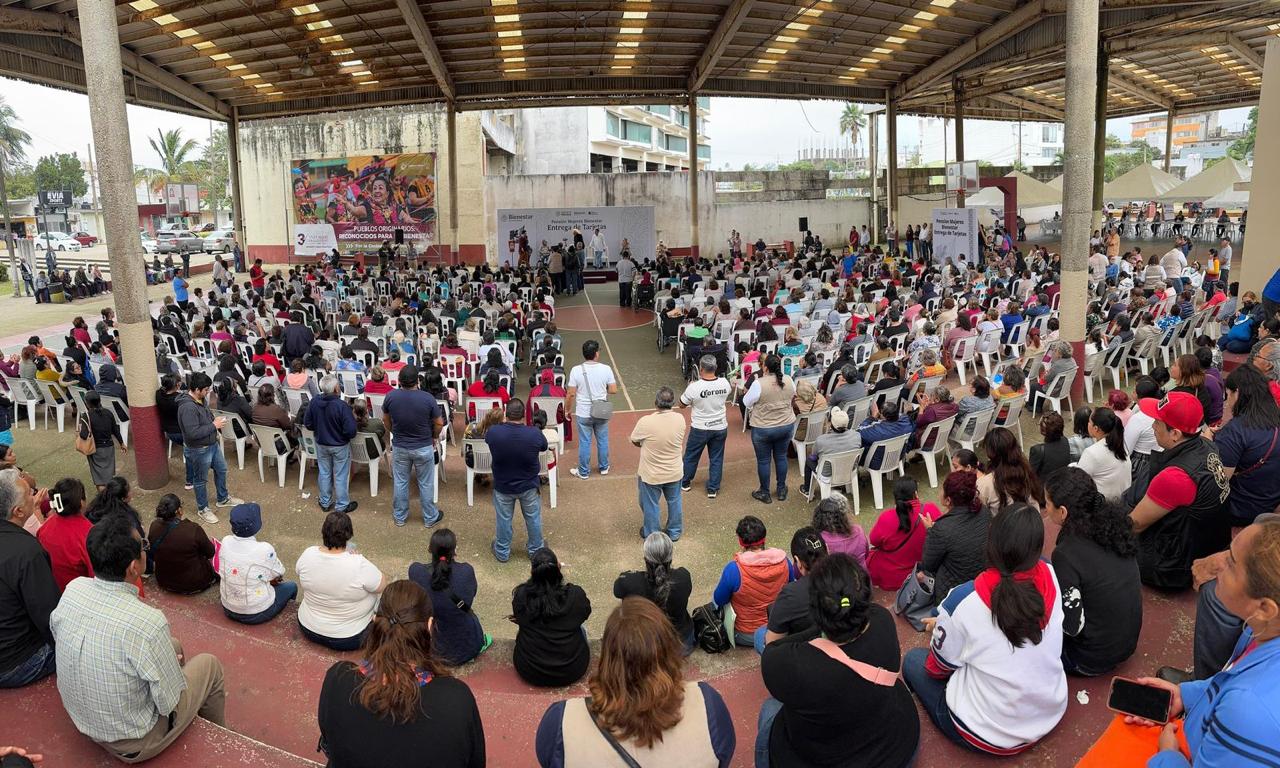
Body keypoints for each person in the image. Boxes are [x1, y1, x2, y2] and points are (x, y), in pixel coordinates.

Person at [1096, 515, 1280, 767]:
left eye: (1231, 562)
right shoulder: (1260, 630)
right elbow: (1231, 678)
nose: (1217, 563)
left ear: (1265, 608)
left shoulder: (1249, 710)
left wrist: (1169, 755)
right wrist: (1187, 695)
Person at [51, 514, 226, 762]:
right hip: (134, 742)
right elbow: (169, 703)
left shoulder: (73, 589)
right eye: (143, 546)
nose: (146, 549)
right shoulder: (148, 622)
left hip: (83, 719)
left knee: (172, 645)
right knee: (210, 665)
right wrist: (168, 673)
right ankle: (221, 739)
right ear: (134, 567)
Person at [903, 504, 1067, 756]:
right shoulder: (1051, 574)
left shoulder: (963, 600)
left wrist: (945, 627)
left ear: (990, 542)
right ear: (1036, 548)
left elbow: (937, 670)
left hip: (988, 734)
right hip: (1049, 710)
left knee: (913, 660)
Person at [758, 553, 920, 768]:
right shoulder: (882, 618)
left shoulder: (791, 664)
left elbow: (772, 648)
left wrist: (825, 622)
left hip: (827, 756)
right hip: (894, 748)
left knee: (770, 709)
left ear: (816, 611)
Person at [536, 598, 735, 768]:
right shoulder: (709, 707)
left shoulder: (561, 724)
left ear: (607, 659)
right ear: (669, 652)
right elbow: (723, 757)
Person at [317, 579, 486, 768]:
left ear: (374, 623)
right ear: (429, 627)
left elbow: (329, 740)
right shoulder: (457, 698)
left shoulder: (338, 680)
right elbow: (476, 762)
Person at [1043, 468, 1142, 676]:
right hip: (1127, 644)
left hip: (1089, 660)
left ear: (1063, 512)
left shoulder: (1066, 554)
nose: (1045, 508)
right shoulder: (1116, 528)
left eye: (1047, 503)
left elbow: (1072, 627)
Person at [1130, 392, 1230, 590]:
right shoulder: (1208, 445)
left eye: (1157, 423)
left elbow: (1134, 524)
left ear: (1175, 434)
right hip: (1210, 542)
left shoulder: (1176, 476)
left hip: (1174, 566)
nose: (1152, 427)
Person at [296, 511, 387, 651]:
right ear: (349, 535)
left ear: (323, 532)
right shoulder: (359, 564)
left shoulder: (308, 553)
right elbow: (382, 586)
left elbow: (299, 572)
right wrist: (360, 559)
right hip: (351, 638)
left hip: (308, 628)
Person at [0, 468, 57, 688]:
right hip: (16, 662)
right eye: (30, 496)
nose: (35, 498)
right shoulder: (26, 551)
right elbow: (49, 616)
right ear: (19, 511)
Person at [510, 547, 592, 687]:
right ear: (558, 569)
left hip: (530, 670)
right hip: (573, 670)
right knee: (581, 629)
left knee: (523, 630)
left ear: (532, 572)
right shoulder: (575, 595)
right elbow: (585, 613)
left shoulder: (522, 595)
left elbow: (520, 618)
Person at [408, 529, 489, 666]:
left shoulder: (416, 571)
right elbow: (472, 594)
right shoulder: (466, 571)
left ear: (429, 549)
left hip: (430, 649)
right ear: (454, 550)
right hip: (468, 647)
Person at [1212, 364, 1280, 527]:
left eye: (1227, 395)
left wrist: (1208, 444)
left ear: (1237, 393)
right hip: (1271, 499)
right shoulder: (1274, 418)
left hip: (1242, 508)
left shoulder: (1234, 431)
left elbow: (1220, 480)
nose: (1226, 402)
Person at [712, 515, 795, 647]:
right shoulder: (785, 562)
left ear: (740, 541)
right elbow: (792, 589)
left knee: (716, 595)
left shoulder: (734, 569)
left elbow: (719, 600)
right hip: (778, 627)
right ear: (764, 539)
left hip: (745, 633)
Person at [484, 399, 548, 563]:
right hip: (529, 485)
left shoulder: (494, 432)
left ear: (506, 413)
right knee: (533, 518)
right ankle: (536, 550)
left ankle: (502, 551)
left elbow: (488, 439)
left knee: (503, 520)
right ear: (524, 414)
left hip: (503, 485)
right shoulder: (534, 433)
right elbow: (544, 446)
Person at [613, 532, 695, 655]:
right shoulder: (684, 576)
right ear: (670, 557)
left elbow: (617, 591)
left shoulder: (628, 581)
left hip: (647, 649)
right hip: (682, 644)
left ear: (645, 558)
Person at [382, 365, 445, 528]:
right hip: (423, 446)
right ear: (417, 380)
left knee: (401, 482)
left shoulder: (391, 397)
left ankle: (400, 517)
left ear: (400, 381)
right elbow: (439, 423)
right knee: (425, 483)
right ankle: (430, 517)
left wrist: (394, 432)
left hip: (401, 446)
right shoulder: (427, 398)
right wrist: (434, 436)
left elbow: (386, 420)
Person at [177, 373, 242, 524]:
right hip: (198, 449)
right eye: (206, 390)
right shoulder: (187, 408)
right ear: (197, 389)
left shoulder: (200, 399)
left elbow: (204, 418)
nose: (208, 393)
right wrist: (214, 425)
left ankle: (223, 498)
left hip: (212, 445)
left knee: (222, 469)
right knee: (200, 480)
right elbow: (192, 433)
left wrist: (213, 420)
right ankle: (203, 508)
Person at [920, 470, 990, 608]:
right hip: (983, 580)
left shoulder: (941, 529)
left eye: (942, 489)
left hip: (953, 590)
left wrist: (930, 530)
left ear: (948, 500)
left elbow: (928, 564)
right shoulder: (984, 512)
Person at [218, 503, 296, 625]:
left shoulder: (226, 541)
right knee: (292, 586)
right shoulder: (264, 549)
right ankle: (283, 622)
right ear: (256, 524)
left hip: (227, 607)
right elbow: (279, 572)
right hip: (257, 612)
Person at [756, 526, 828, 653]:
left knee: (759, 634)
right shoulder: (847, 574)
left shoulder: (790, 594)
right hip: (840, 641)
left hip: (807, 653)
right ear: (827, 550)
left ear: (798, 562)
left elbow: (772, 644)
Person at [867, 477, 944, 590]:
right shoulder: (931, 509)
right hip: (921, 573)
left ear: (895, 498)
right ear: (916, 494)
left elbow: (874, 541)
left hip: (891, 577)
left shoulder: (886, 517)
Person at [631, 386, 686, 541]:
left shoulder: (646, 421)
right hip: (674, 471)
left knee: (650, 504)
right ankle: (674, 531)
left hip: (652, 473)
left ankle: (653, 533)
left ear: (656, 402)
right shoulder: (680, 419)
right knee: (674, 501)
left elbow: (635, 440)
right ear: (673, 402)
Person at [744, 355, 797, 504]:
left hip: (763, 427)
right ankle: (781, 489)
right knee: (781, 457)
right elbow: (793, 395)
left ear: (764, 367)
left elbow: (746, 401)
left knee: (764, 460)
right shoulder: (788, 379)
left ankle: (765, 492)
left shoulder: (758, 383)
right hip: (786, 425)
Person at [304, 374, 359, 515]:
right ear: (336, 388)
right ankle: (342, 505)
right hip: (339, 445)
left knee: (324, 472)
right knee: (340, 475)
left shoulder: (315, 402)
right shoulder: (341, 406)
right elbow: (351, 430)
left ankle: (325, 501)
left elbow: (308, 423)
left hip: (322, 443)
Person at [679, 355, 731, 499]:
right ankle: (713, 488)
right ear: (715, 368)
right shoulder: (724, 383)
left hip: (700, 428)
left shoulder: (694, 387)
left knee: (691, 456)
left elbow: (681, 404)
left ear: (701, 369)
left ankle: (685, 482)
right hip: (720, 426)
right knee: (716, 457)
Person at [567, 340, 617, 480]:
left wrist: (567, 410)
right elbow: (613, 390)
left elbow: (570, 394)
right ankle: (604, 467)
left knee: (585, 442)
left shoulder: (576, 370)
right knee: (602, 440)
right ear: (596, 353)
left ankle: (583, 471)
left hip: (583, 412)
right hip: (600, 410)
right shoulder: (606, 369)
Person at [147, 494, 217, 594]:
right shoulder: (193, 529)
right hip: (194, 584)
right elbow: (210, 553)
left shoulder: (154, 525)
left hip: (164, 581)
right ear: (179, 510)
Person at [36, 477, 92, 593]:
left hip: (56, 591)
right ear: (81, 502)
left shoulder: (44, 528)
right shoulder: (89, 535)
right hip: (83, 594)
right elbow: (97, 576)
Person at [799, 407, 861, 497]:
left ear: (831, 424)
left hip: (827, 475)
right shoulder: (857, 436)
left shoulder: (821, 440)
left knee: (809, 460)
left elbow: (814, 457)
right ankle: (838, 486)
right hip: (849, 471)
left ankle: (807, 489)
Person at [977, 427, 1042, 513]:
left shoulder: (985, 484)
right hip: (1032, 521)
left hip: (1004, 525)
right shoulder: (1026, 471)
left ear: (990, 454)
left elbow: (980, 514)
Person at [77, 391, 126, 492]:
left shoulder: (86, 416)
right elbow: (115, 430)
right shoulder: (108, 413)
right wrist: (122, 443)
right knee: (108, 476)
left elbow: (84, 435)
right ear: (99, 400)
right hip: (109, 448)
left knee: (100, 480)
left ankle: (104, 499)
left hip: (95, 450)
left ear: (87, 403)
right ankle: (111, 497)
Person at [811, 493, 868, 567]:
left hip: (831, 577)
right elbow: (866, 554)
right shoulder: (859, 532)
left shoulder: (819, 540)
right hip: (860, 576)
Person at [1029, 412, 1072, 483]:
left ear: (1043, 431)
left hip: (1045, 489)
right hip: (1062, 484)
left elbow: (1031, 474)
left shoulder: (1038, 450)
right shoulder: (1065, 440)